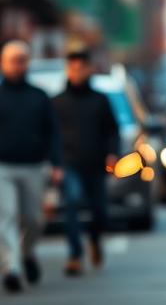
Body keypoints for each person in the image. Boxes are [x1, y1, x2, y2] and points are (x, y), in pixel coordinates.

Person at [0, 39, 63, 292]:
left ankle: (27, 254)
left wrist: (57, 164)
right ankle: (11, 269)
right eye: (13, 61)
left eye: (22, 60)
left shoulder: (39, 96)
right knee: (7, 217)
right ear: (3, 64)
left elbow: (53, 133)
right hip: (3, 167)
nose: (18, 66)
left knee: (34, 220)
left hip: (34, 166)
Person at [51, 45, 119, 275]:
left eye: (82, 68)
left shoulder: (100, 100)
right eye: (73, 68)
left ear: (90, 69)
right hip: (68, 164)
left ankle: (95, 240)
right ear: (67, 70)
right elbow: (50, 135)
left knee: (100, 212)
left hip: (96, 164)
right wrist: (53, 163)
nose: (77, 72)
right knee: (72, 203)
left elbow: (112, 130)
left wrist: (112, 153)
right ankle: (75, 255)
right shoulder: (57, 102)